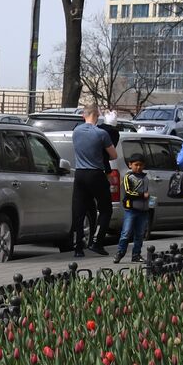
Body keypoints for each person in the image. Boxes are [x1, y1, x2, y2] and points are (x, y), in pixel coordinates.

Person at [70, 103, 117, 257]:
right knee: (105, 208)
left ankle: (78, 247)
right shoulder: (101, 133)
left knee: (79, 210)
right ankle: (97, 242)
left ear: (84, 115)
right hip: (96, 174)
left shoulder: (76, 131)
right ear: (97, 116)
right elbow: (114, 155)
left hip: (80, 174)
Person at [114, 154, 151, 264]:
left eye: (141, 165)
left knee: (140, 234)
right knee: (126, 232)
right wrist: (141, 195)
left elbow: (146, 192)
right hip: (131, 209)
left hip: (143, 210)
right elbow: (128, 192)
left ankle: (136, 254)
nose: (138, 167)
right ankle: (120, 252)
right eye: (136, 165)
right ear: (130, 165)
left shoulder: (145, 178)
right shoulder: (128, 177)